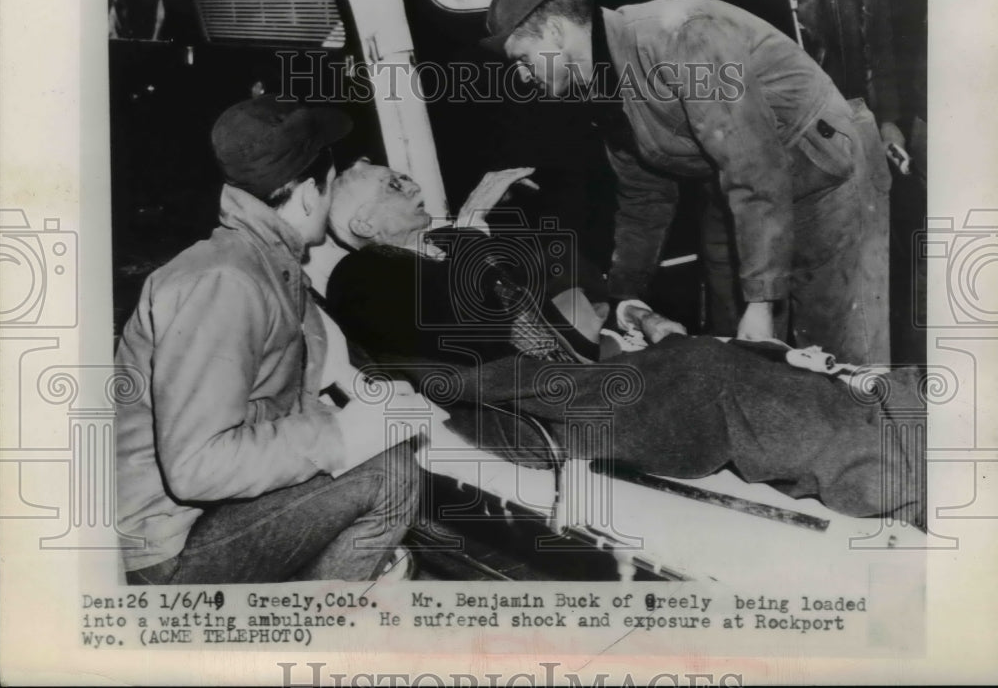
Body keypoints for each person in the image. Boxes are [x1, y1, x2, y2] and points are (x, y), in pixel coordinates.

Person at [319, 159, 924, 528]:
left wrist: (634, 314)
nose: (410, 181)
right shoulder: (362, 279)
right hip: (531, 405)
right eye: (391, 185)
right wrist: (475, 231)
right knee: (709, 373)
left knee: (748, 359)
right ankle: (895, 479)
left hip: (581, 371)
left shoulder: (450, 247)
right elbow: (468, 341)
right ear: (368, 226)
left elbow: (566, 283)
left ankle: (902, 411)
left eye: (402, 174)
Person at [480, 0, 893, 366]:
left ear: (554, 32)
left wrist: (763, 300)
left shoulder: (680, 36)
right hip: (736, 189)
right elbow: (644, 196)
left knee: (838, 363)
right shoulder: (599, 84)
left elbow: (754, 167)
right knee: (731, 352)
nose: (521, 75)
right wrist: (625, 298)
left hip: (823, 173)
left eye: (522, 58)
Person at [114, 95, 442, 584]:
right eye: (331, 189)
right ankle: (309, 642)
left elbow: (264, 405)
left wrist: (365, 411)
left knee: (378, 462)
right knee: (390, 476)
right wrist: (340, 435)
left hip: (206, 517)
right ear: (310, 193)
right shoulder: (225, 281)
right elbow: (197, 466)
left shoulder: (266, 265)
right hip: (167, 548)